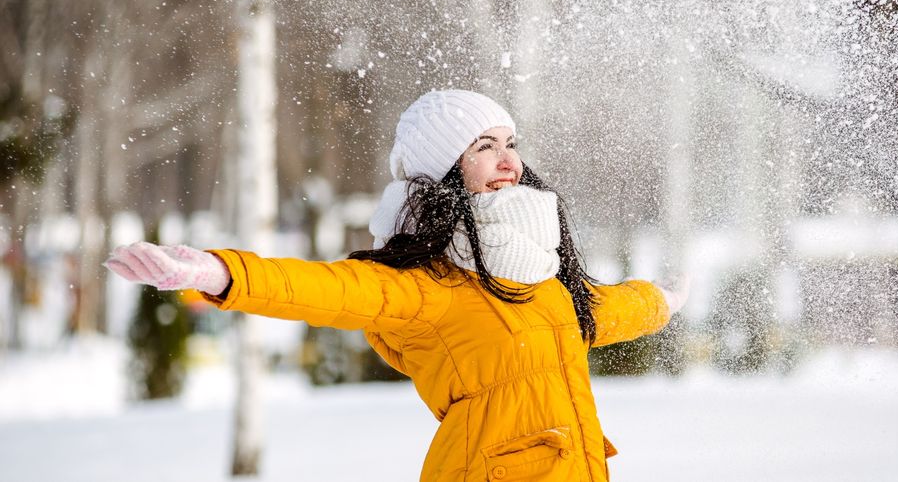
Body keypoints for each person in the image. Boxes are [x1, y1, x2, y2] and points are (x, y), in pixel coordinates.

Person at [105, 89, 688, 482]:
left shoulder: (538, 272)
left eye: (510, 143)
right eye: (483, 147)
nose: (507, 159)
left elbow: (601, 310)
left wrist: (662, 300)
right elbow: (326, 289)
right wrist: (221, 272)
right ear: (441, 172)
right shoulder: (426, 287)